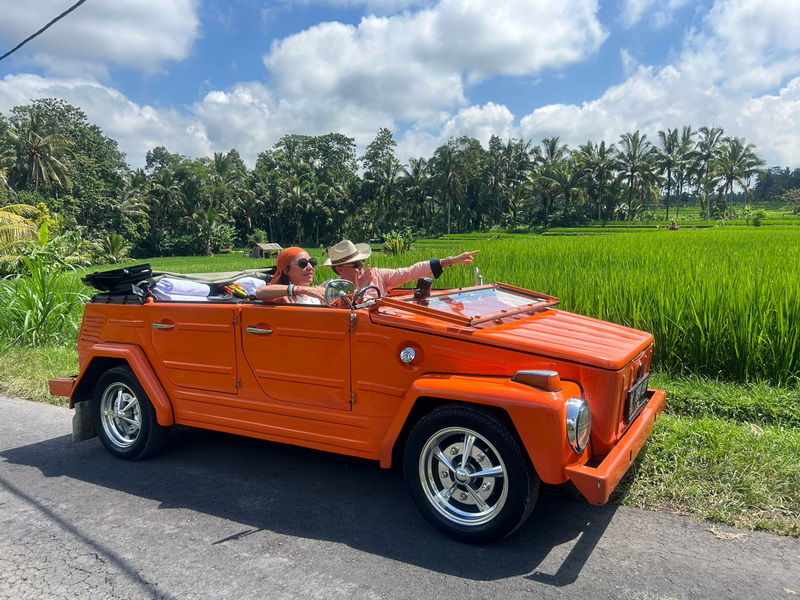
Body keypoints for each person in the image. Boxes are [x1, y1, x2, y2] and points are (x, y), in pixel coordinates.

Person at [324, 239, 479, 299]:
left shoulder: (377, 275)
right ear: (340, 269)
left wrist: (450, 260)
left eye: (362, 261)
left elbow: (411, 271)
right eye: (356, 264)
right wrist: (361, 287)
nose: (362, 266)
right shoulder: (331, 289)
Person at [255, 247, 326, 304]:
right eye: (303, 263)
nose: (310, 267)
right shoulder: (281, 296)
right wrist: (303, 290)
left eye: (312, 262)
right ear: (286, 270)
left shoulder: (316, 295)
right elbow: (260, 292)